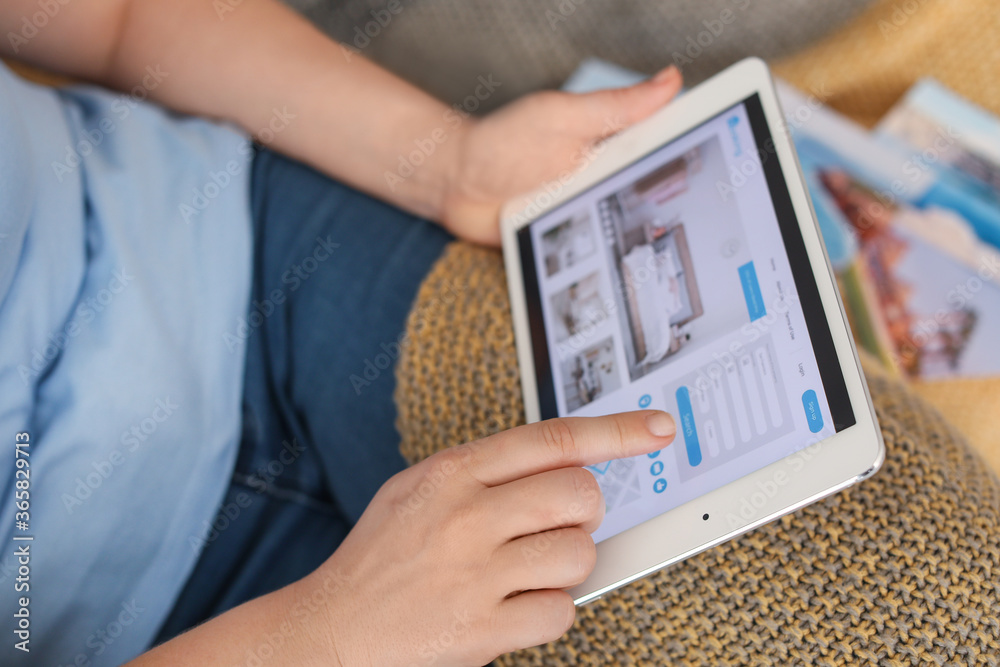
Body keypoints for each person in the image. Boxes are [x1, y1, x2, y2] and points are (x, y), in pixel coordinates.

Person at [0, 0, 682, 664]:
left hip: (238, 240)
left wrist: (448, 166)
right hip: (138, 626)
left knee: (695, 547)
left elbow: (117, 17)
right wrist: (326, 637)